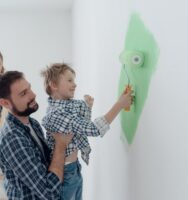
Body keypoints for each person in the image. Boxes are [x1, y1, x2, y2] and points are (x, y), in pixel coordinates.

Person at [41, 63, 133, 200]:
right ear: (54, 85)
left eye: (74, 80)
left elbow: (80, 129)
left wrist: (87, 108)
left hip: (74, 168)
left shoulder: (68, 106)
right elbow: (93, 129)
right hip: (65, 173)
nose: (75, 84)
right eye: (70, 80)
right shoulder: (56, 114)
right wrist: (119, 105)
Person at [0, 71, 74, 199]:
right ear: (5, 103)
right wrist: (61, 145)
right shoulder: (13, 139)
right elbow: (49, 193)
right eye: (23, 93)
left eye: (29, 88)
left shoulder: (33, 123)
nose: (33, 95)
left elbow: (47, 165)